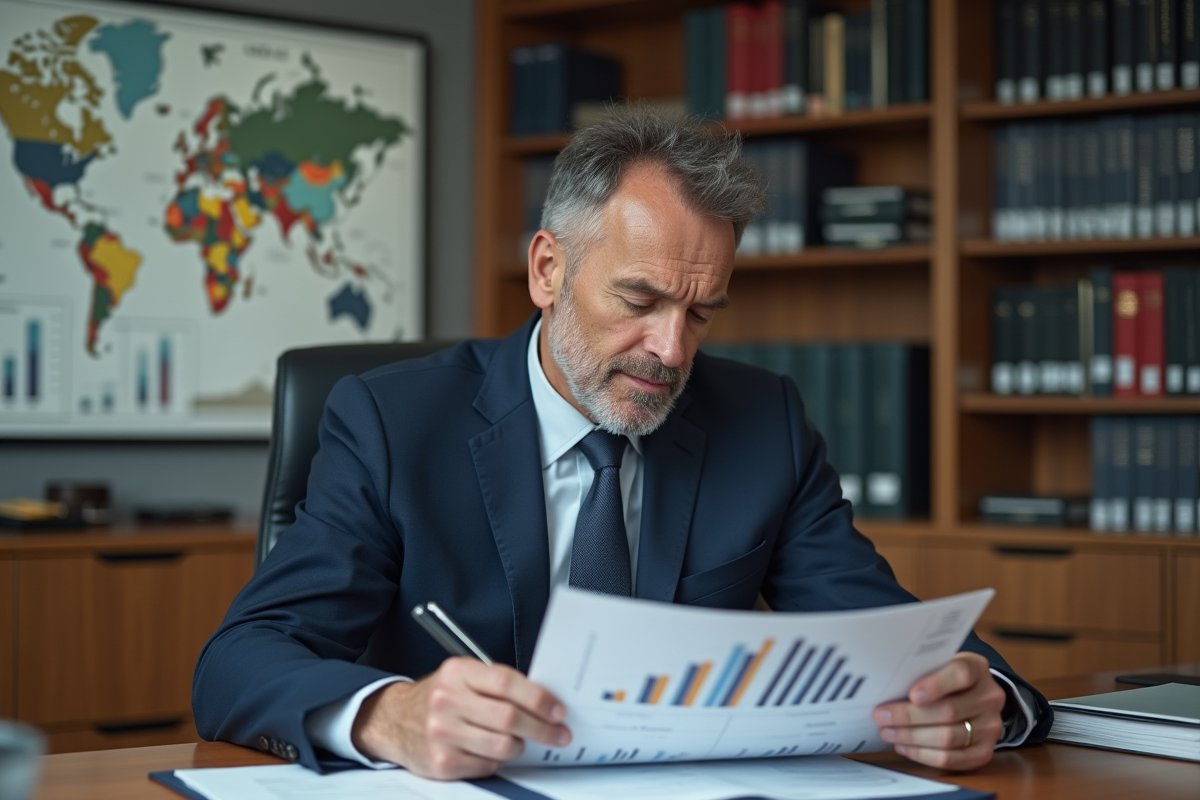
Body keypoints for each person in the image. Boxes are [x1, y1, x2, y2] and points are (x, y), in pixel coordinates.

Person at [193, 108, 1051, 781]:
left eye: (701, 312)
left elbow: (886, 632)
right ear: (546, 271)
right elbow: (239, 662)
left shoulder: (765, 422)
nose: (672, 351)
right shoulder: (390, 423)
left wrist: (987, 702)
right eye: (639, 301)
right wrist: (391, 717)